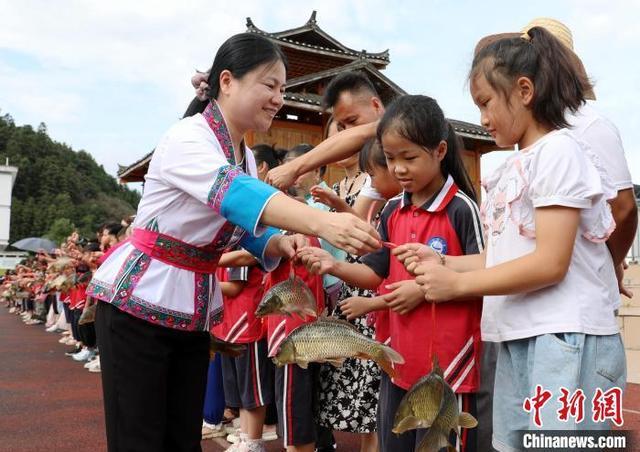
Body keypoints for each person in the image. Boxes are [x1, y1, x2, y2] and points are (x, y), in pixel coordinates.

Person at [88, 32, 380, 452]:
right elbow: (237, 196)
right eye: (269, 85)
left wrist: (278, 244)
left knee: (180, 440)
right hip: (139, 304)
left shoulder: (239, 153)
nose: (278, 97)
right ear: (227, 81)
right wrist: (321, 223)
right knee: (139, 438)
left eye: (283, 88)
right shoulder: (188, 138)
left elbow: (242, 224)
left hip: (189, 309)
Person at [396, 27, 626, 451]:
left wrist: (458, 284)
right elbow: (502, 257)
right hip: (523, 336)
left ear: (524, 90)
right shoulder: (517, 164)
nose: (482, 119)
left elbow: (549, 263)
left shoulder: (559, 152)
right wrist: (443, 262)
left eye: (485, 103)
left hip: (565, 339)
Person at [300, 94, 483, 452]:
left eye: (409, 157)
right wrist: (333, 265)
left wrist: (423, 288)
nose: (398, 168)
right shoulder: (392, 212)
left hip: (448, 367)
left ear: (440, 150)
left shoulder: (462, 209)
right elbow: (375, 273)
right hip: (397, 359)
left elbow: (486, 275)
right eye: (390, 158)